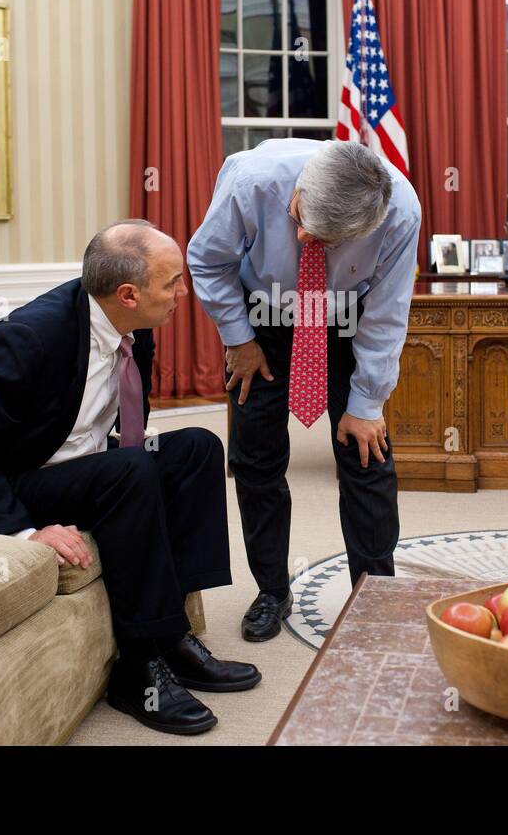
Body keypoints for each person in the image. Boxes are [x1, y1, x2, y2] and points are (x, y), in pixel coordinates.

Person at [0, 220, 259, 736]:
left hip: (83, 467)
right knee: (130, 468)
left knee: (196, 448)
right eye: (173, 283)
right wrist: (24, 530)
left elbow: (115, 422)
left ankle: (173, 638)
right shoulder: (28, 338)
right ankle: (138, 668)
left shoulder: (128, 328)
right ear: (128, 294)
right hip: (16, 482)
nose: (184, 293)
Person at [187, 138, 421, 642]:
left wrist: (366, 403)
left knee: (366, 452)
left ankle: (374, 593)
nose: (300, 235)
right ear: (298, 190)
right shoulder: (250, 181)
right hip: (261, 318)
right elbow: (207, 261)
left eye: (321, 238)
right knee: (255, 458)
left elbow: (386, 313)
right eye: (299, 218)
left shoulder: (400, 208)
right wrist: (239, 339)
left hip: (343, 316)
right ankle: (272, 589)